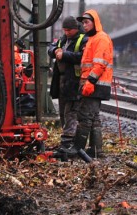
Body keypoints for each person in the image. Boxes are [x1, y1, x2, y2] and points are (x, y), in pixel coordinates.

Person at [75, 8, 114, 158]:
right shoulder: (93, 38)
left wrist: (90, 81)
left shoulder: (100, 38)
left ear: (95, 22)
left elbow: (100, 63)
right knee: (93, 118)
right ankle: (96, 150)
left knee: (85, 117)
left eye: (87, 22)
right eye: (83, 23)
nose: (84, 25)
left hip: (95, 84)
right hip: (94, 83)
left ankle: (78, 149)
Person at [49, 16, 87, 157]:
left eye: (68, 30)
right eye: (64, 30)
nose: (66, 32)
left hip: (74, 81)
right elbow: (52, 47)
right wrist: (55, 51)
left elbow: (82, 56)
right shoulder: (64, 39)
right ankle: (67, 141)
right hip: (62, 81)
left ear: (75, 29)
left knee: (70, 112)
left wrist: (64, 54)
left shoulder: (83, 39)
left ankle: (68, 144)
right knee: (63, 112)